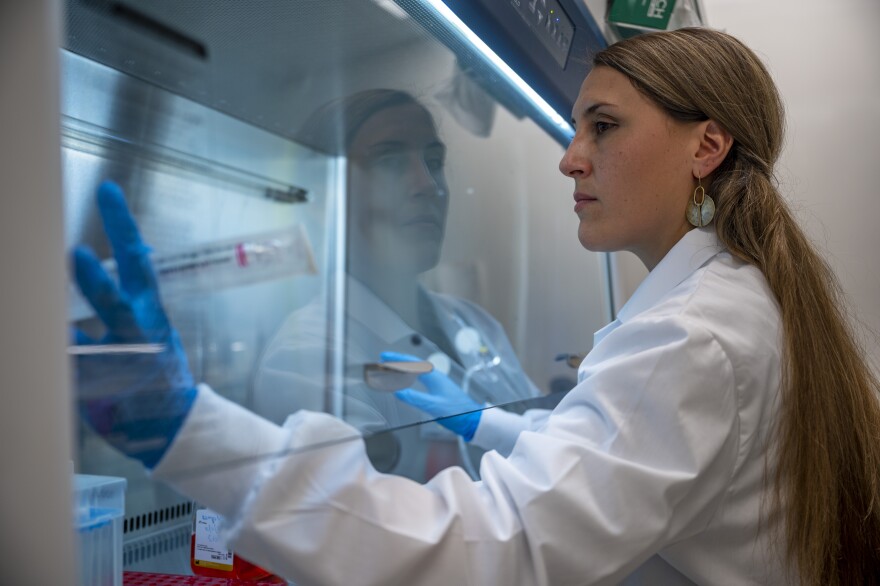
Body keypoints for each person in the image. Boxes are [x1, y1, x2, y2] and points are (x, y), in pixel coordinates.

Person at [72, 27, 880, 585]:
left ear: (707, 146)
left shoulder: (693, 336)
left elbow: (497, 549)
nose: (570, 160)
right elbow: (591, 461)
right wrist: (487, 423)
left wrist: (192, 431)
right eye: (575, 129)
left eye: (603, 126)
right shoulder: (735, 301)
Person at [249, 89, 540, 481]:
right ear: (323, 200)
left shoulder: (475, 323)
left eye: (434, 162)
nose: (428, 185)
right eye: (389, 162)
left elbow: (550, 450)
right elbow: (375, 526)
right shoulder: (306, 357)